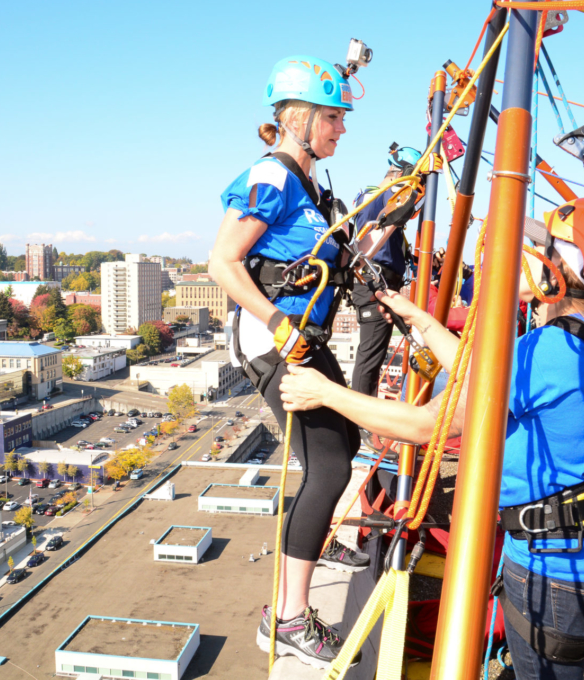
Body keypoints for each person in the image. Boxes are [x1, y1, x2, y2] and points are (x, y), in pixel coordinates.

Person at [278, 197, 584, 679]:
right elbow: (486, 374)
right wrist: (423, 322)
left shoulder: (553, 349)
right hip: (567, 550)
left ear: (557, 273)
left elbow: (428, 425)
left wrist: (324, 392)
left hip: (556, 566)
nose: (526, 259)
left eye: (542, 251)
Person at [209, 54, 368, 669]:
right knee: (327, 469)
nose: (341, 129)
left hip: (300, 338)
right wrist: (276, 320)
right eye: (334, 116)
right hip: (274, 339)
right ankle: (290, 619)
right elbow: (223, 262)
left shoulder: (310, 189)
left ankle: (311, 549)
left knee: (343, 444)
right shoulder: (270, 178)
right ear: (301, 119)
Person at [349, 146, 421, 397]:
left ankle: (361, 417)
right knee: (370, 357)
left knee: (371, 356)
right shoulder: (389, 192)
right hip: (375, 280)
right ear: (403, 173)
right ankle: (361, 420)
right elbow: (402, 206)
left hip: (375, 279)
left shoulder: (370, 195)